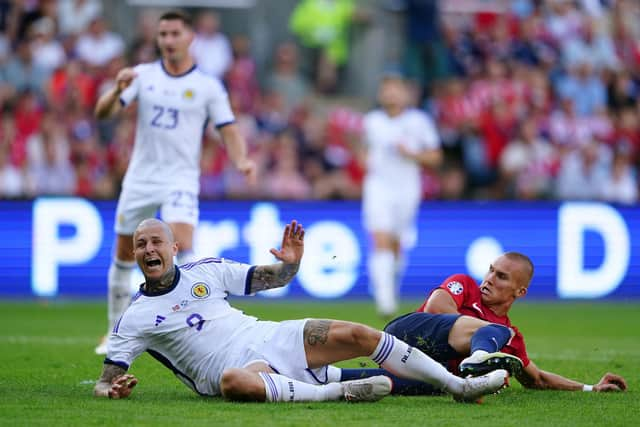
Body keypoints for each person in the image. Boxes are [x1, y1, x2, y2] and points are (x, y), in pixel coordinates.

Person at [93, 218, 509, 403]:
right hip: (234, 371)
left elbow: (273, 279)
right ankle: (335, 392)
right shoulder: (136, 317)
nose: (150, 249)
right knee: (234, 383)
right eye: (142, 244)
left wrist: (290, 263)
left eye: (156, 242)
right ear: (134, 254)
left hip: (268, 338)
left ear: (173, 247)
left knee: (359, 334)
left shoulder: (209, 271)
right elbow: (105, 380)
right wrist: (110, 390)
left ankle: (460, 387)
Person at [93, 10, 256, 355]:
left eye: (174, 34)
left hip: (180, 177)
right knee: (124, 253)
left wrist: (241, 159)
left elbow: (228, 128)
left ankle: (190, 320)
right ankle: (114, 331)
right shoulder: (143, 75)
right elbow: (103, 113)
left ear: (190, 37)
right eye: (162, 34)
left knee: (182, 242)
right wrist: (114, 91)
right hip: (140, 176)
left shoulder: (208, 86)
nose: (167, 40)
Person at [339, 252, 628, 395]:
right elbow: (436, 308)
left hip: (429, 374)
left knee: (374, 384)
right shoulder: (465, 285)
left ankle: (312, 377)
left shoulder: (511, 337)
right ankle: (478, 360)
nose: (489, 278)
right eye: (491, 270)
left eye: (501, 276)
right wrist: (483, 338)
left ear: (519, 292)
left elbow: (535, 379)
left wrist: (589, 388)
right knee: (498, 332)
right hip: (407, 336)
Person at [360, 73, 443, 317]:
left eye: (395, 89)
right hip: (378, 186)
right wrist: (365, 161)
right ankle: (385, 301)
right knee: (380, 238)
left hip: (407, 188)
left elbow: (436, 156)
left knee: (397, 244)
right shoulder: (372, 121)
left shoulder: (418, 121)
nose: (391, 94)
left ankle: (390, 286)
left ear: (405, 94)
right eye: (386, 90)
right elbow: (364, 149)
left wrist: (411, 154)